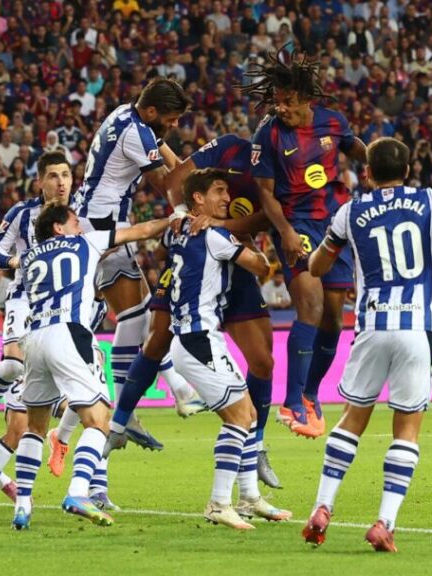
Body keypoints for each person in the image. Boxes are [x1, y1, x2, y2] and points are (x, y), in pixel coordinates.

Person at [302, 138, 432, 552]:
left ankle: (322, 506)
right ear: (407, 170)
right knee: (407, 427)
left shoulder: (351, 210)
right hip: (420, 327)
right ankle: (384, 522)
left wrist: (327, 251)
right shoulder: (429, 199)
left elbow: (317, 266)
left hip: (373, 324)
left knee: (352, 418)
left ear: (368, 173)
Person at [107, 133, 283, 488]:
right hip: (195, 262)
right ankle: (119, 422)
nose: (227, 196)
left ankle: (256, 447)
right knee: (155, 341)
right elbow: (177, 178)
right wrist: (181, 216)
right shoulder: (231, 147)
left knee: (263, 361)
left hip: (233, 252)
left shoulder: (284, 167)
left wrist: (221, 225)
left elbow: (269, 219)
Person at [10, 204, 178, 530]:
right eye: (75, 222)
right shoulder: (85, 242)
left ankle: (22, 506)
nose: (81, 226)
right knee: (99, 419)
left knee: (35, 427)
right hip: (68, 334)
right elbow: (141, 231)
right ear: (59, 227)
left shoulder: (29, 257)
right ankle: (77, 492)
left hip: (33, 339)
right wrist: (173, 219)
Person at [242, 49, 367, 437]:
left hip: (334, 225)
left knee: (333, 318)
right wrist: (285, 232)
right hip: (295, 225)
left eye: (289, 101)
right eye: (277, 101)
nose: (282, 108)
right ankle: (292, 400)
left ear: (308, 98)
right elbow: (265, 193)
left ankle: (310, 394)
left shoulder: (333, 122)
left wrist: (376, 164)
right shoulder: (268, 134)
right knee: (310, 305)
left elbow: (356, 149)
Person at [68, 76, 192, 450]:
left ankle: (166, 393)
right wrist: (190, 204)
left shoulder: (129, 115)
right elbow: (166, 184)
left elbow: (173, 163)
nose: (174, 125)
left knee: (143, 312)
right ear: (151, 110)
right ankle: (126, 411)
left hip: (97, 219)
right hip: (102, 226)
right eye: (170, 118)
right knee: (135, 316)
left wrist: (196, 172)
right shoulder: (136, 132)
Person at [161, 168, 289, 530]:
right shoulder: (214, 236)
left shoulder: (179, 230)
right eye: (219, 191)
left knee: (248, 414)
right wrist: (244, 236)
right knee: (238, 418)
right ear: (198, 198)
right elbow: (261, 267)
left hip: (197, 338)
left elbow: (173, 220)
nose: (227, 198)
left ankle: (249, 496)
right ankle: (219, 502)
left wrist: (179, 214)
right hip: (197, 339)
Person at [0, 151, 73, 516]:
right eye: (53, 175)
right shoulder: (22, 213)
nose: (61, 182)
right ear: (40, 181)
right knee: (11, 364)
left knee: (19, 428)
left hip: (63, 311)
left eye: (66, 174)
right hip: (25, 299)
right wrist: (16, 261)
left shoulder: (79, 216)